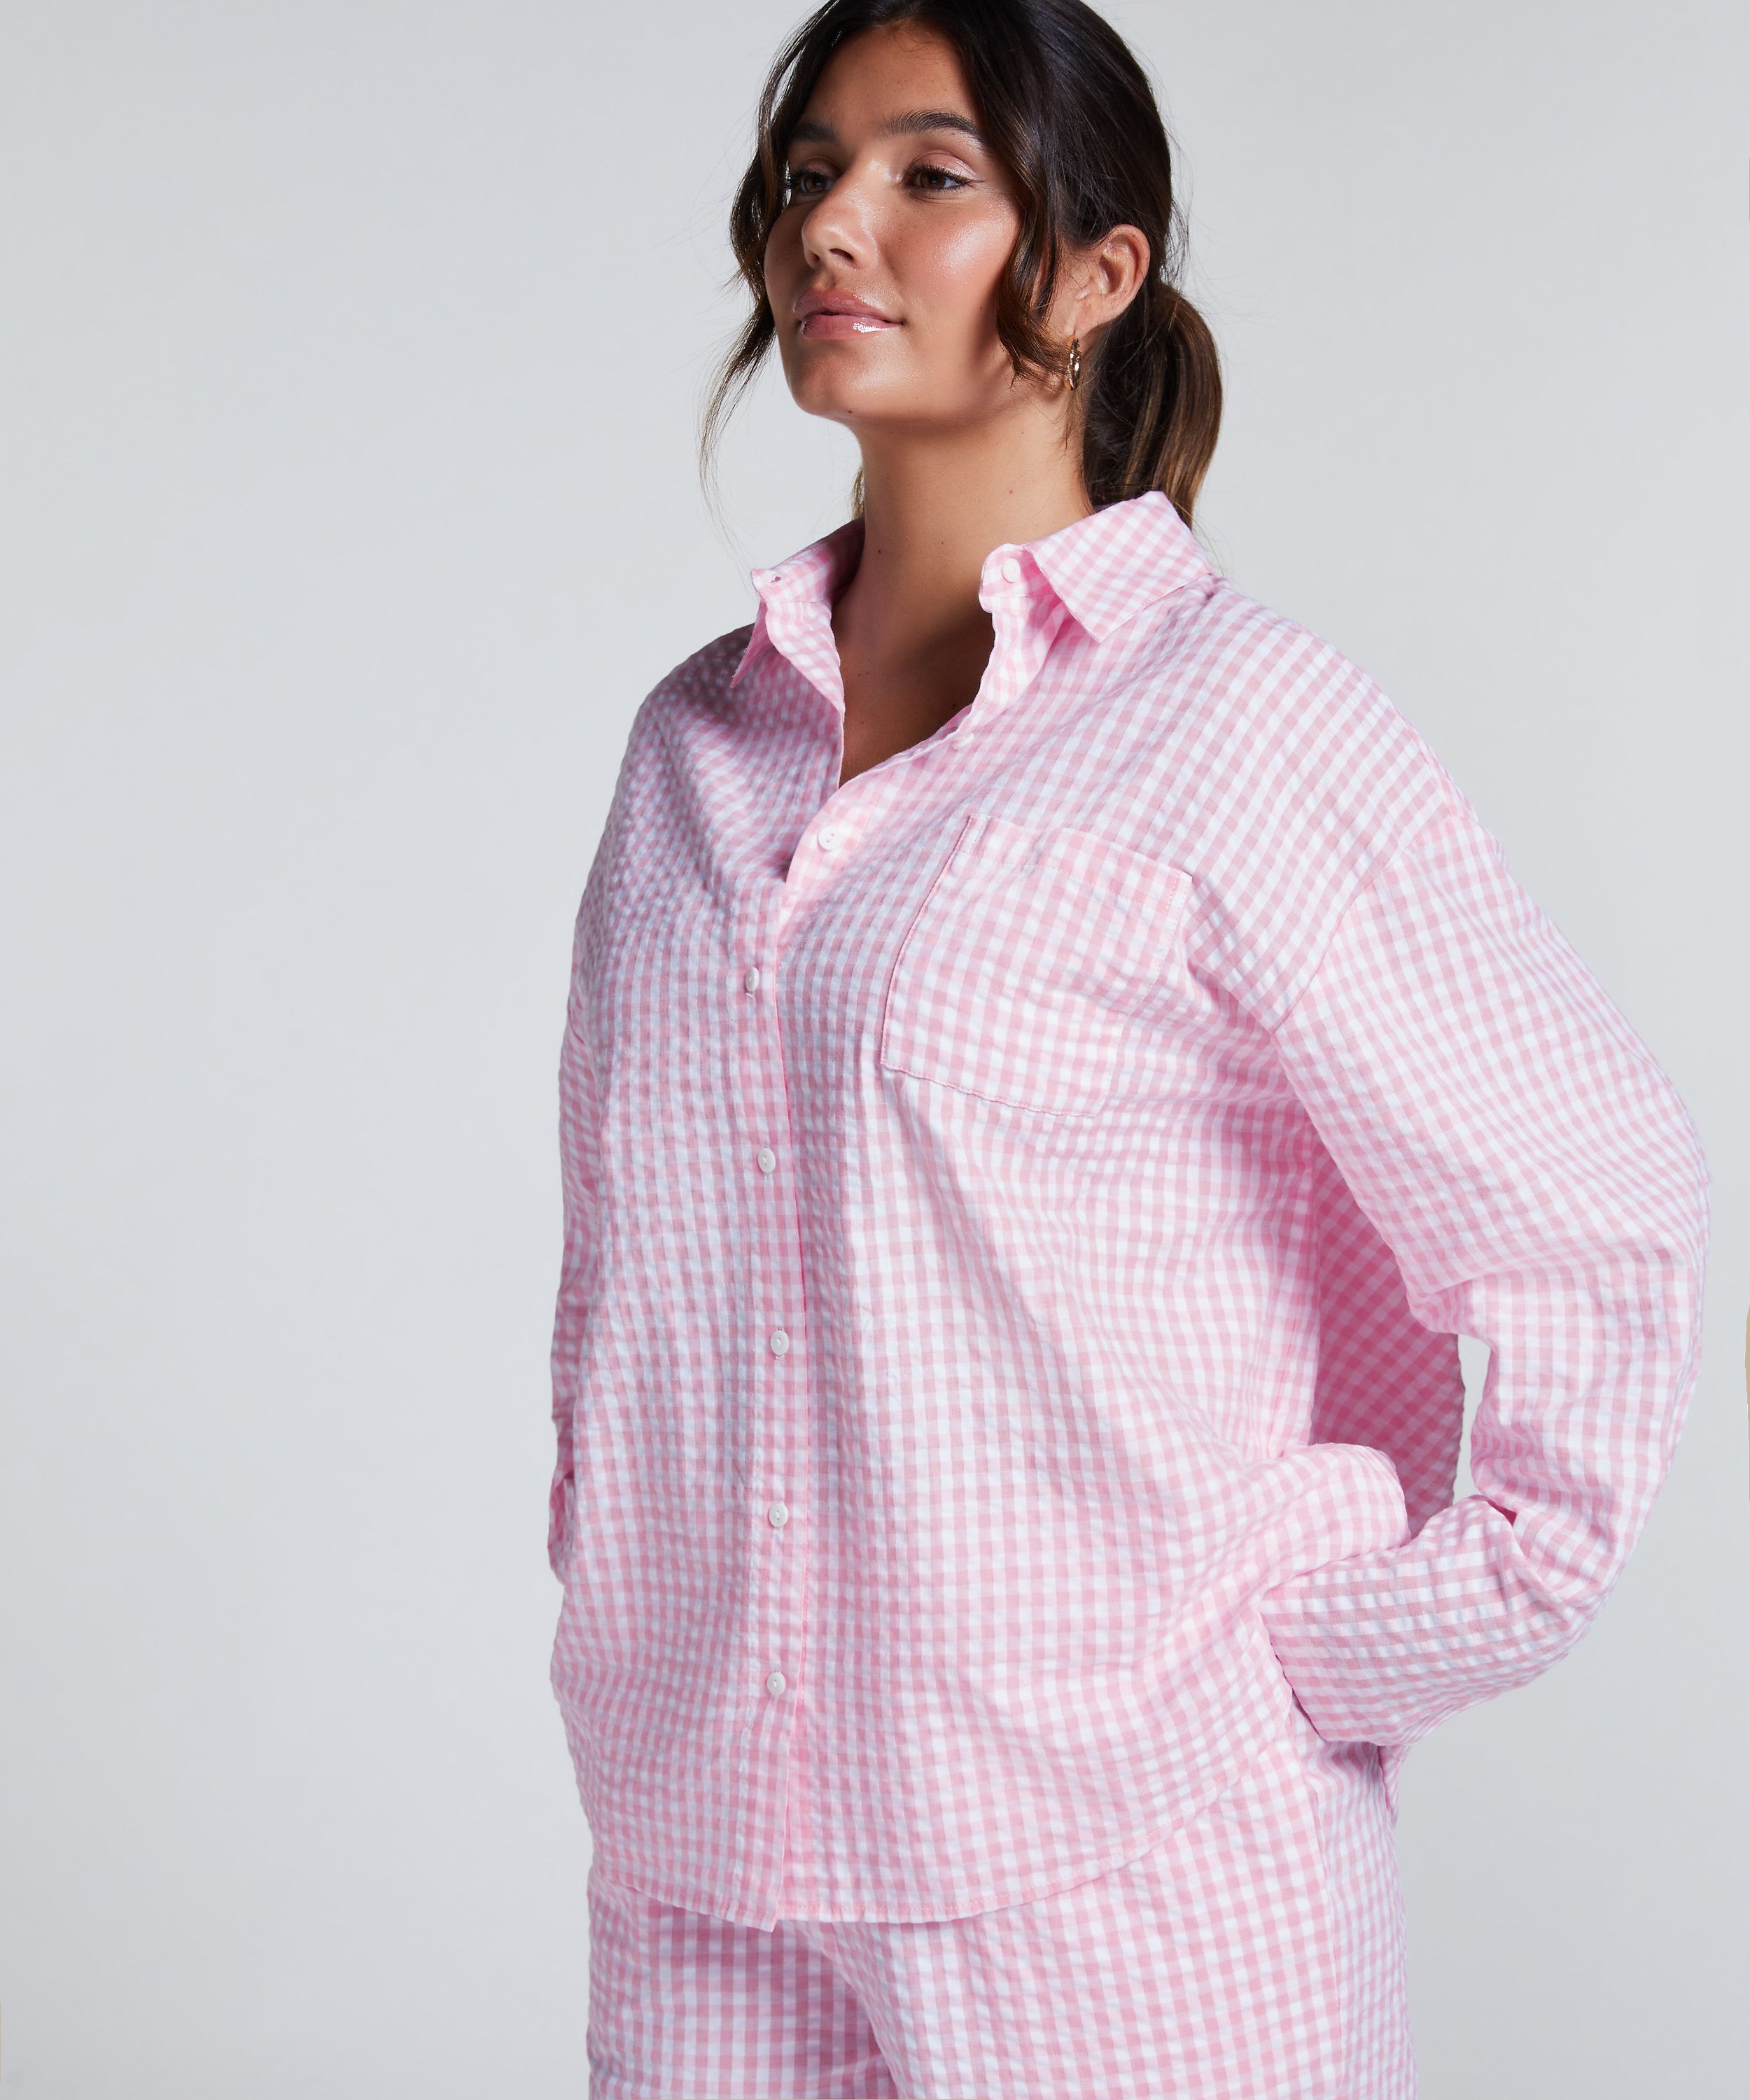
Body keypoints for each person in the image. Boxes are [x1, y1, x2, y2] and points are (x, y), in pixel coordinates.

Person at [546, 1, 1709, 2093]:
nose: (832, 226)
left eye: (930, 175)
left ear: (1098, 271)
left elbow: (1594, 1220)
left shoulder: (1238, 727)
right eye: (807, 173)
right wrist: (613, 1596)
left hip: (1127, 1867)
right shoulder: (691, 749)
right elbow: (623, 1268)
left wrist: (1333, 1658)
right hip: (705, 1857)